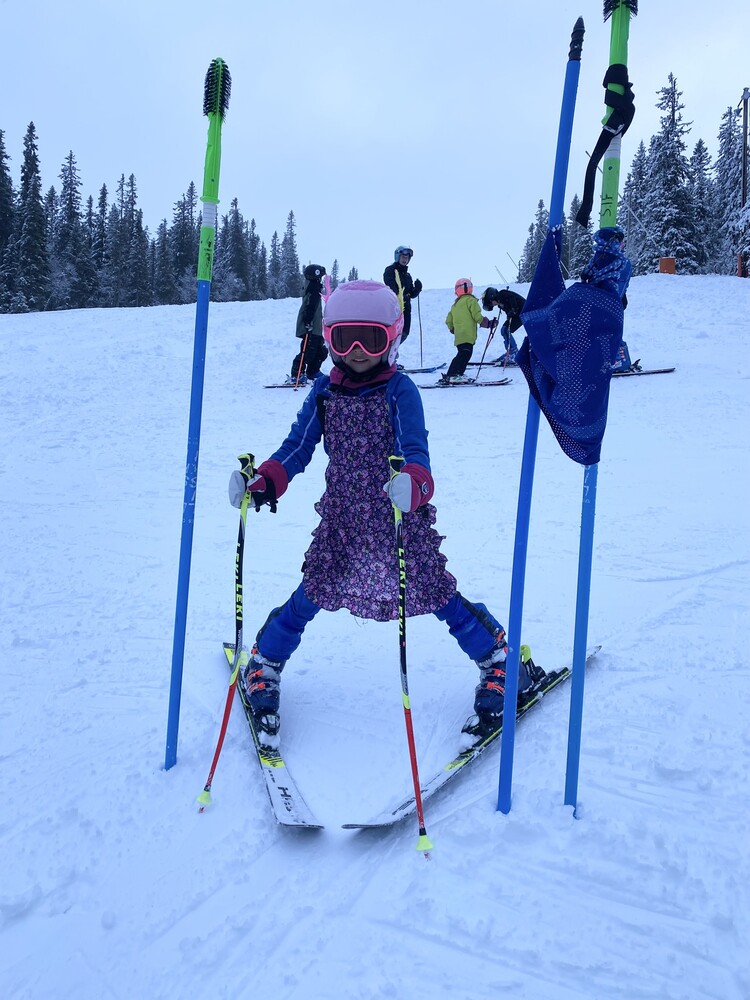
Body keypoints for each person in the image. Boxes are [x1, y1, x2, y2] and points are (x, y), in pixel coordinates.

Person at [228, 279, 533, 747]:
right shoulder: (325, 392)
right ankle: (264, 663)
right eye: (343, 339)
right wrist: (266, 481)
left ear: (390, 337)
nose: (356, 352)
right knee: (313, 592)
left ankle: (499, 661)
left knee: (436, 595)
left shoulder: (399, 390)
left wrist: (415, 482)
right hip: (344, 521)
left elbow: (417, 450)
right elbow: (296, 448)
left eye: (369, 339)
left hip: (397, 520)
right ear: (329, 339)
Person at [441, 278, 491, 383]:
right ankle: (452, 374)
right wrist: (488, 323)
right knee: (464, 354)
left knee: (463, 354)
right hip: (468, 335)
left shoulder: (455, 305)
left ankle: (458, 374)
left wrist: (452, 329)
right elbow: (477, 316)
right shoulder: (471, 301)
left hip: (459, 336)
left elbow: (448, 320)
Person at [288, 264, 328, 384]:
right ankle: (297, 374)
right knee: (308, 351)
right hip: (311, 326)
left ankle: (313, 371)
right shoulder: (313, 287)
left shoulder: (313, 286)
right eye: (320, 276)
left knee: (320, 350)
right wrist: (308, 321)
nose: (321, 279)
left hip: (316, 327)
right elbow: (310, 306)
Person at [383, 245, 422, 345]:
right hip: (394, 309)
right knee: (394, 334)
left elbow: (411, 293)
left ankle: (393, 351)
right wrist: (400, 296)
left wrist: (417, 289)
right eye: (403, 257)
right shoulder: (390, 270)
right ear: (397, 257)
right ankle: (388, 351)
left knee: (404, 333)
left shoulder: (407, 276)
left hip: (406, 309)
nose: (405, 260)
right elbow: (391, 286)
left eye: (407, 258)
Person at [481, 287, 526, 364]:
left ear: (492, 297)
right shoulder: (500, 304)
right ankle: (511, 352)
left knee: (505, 330)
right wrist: (510, 314)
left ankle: (513, 353)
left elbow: (512, 298)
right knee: (504, 330)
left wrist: (513, 309)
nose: (493, 305)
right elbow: (508, 309)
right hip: (518, 314)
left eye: (490, 303)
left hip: (522, 312)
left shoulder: (502, 294)